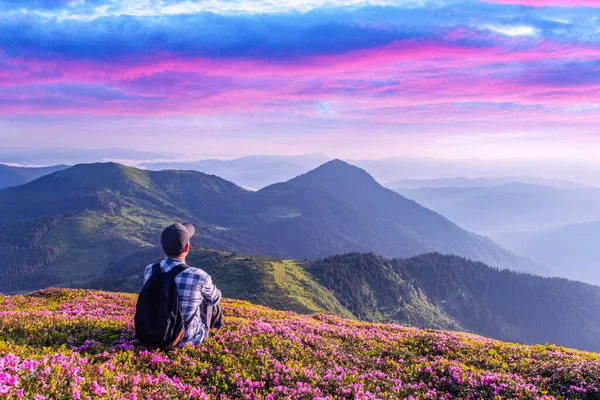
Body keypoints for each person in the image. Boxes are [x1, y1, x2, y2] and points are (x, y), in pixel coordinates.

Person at [141, 222, 222, 347]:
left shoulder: (150, 270)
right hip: (188, 340)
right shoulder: (199, 276)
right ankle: (218, 331)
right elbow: (215, 299)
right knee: (209, 299)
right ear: (187, 248)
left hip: (152, 336)